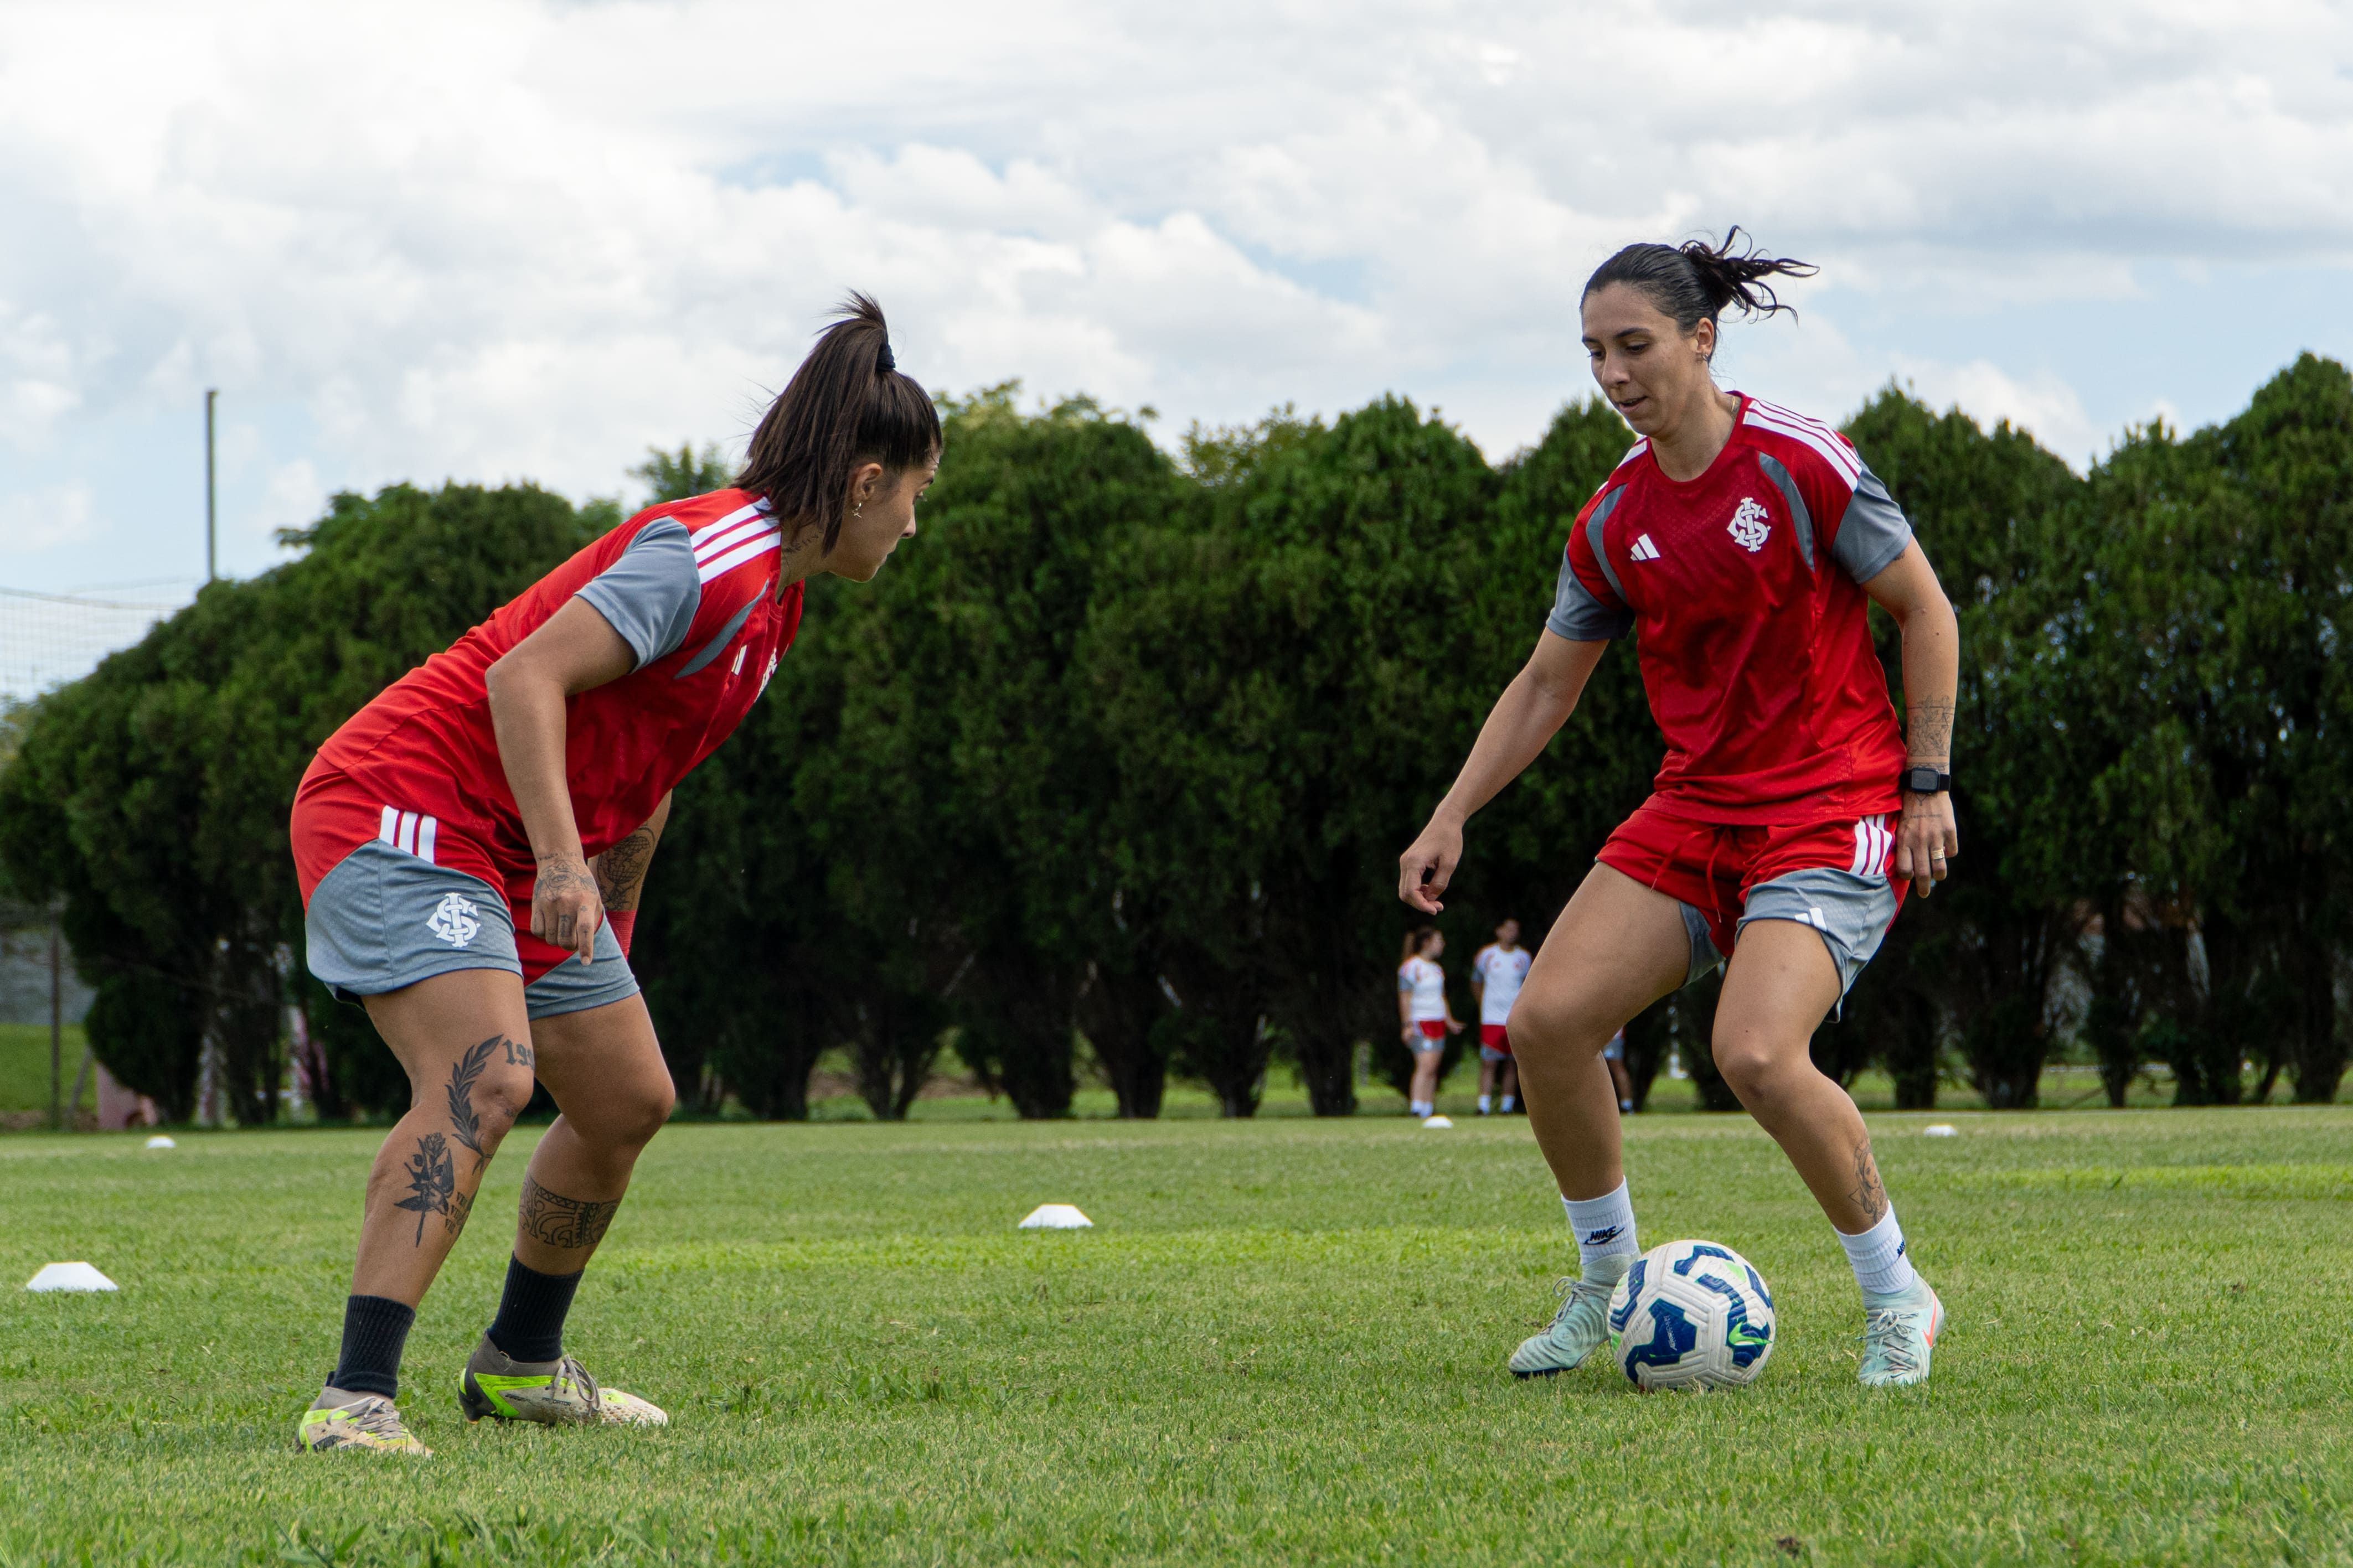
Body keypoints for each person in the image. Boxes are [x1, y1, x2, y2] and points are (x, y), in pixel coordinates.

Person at [287, 295, 941, 1455]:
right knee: (486, 1074)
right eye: (915, 497)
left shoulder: (775, 610)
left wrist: (608, 929)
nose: (912, 525)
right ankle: (354, 1398)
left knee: (628, 1097)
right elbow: (525, 679)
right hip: (403, 808)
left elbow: (649, 774)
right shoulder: (716, 556)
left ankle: (516, 1367)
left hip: (512, 844)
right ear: (865, 480)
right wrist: (554, 861)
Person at [1397, 231, 1960, 1388]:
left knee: (1753, 1051)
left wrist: (1926, 779)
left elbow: (1926, 611)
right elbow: (1548, 682)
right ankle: (1607, 1281)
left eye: (1634, 345)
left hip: (1832, 802)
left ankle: (1896, 1294)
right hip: (1697, 807)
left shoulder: (1800, 465)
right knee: (1546, 1024)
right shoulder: (1612, 520)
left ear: (1702, 339)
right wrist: (1450, 811)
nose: (1612, 373)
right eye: (1594, 351)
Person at [1395, 927, 1463, 1118]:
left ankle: (1427, 1107)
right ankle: (1416, 1107)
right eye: (1439, 940)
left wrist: (1449, 1020)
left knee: (1433, 1068)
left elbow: (1441, 997)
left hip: (1437, 1021)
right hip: (1420, 1021)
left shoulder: (1437, 969)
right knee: (1425, 1066)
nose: (1442, 944)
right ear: (1426, 943)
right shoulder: (1411, 967)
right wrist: (1407, 1025)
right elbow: (1405, 997)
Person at [1469, 918, 1530, 1115]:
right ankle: (1483, 1105)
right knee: (1489, 1061)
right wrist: (1483, 1005)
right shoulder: (1487, 955)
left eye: (1516, 929)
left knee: (1512, 1062)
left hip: (1513, 1017)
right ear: (1499, 931)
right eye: (1509, 929)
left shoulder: (1523, 958)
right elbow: (1476, 982)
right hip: (1492, 1017)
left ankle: (1507, 1105)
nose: (1512, 933)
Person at [1600, 1028, 1633, 1113]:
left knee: (1616, 1067)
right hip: (1606, 1036)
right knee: (1603, 1068)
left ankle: (1627, 1105)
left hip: (1612, 1037)